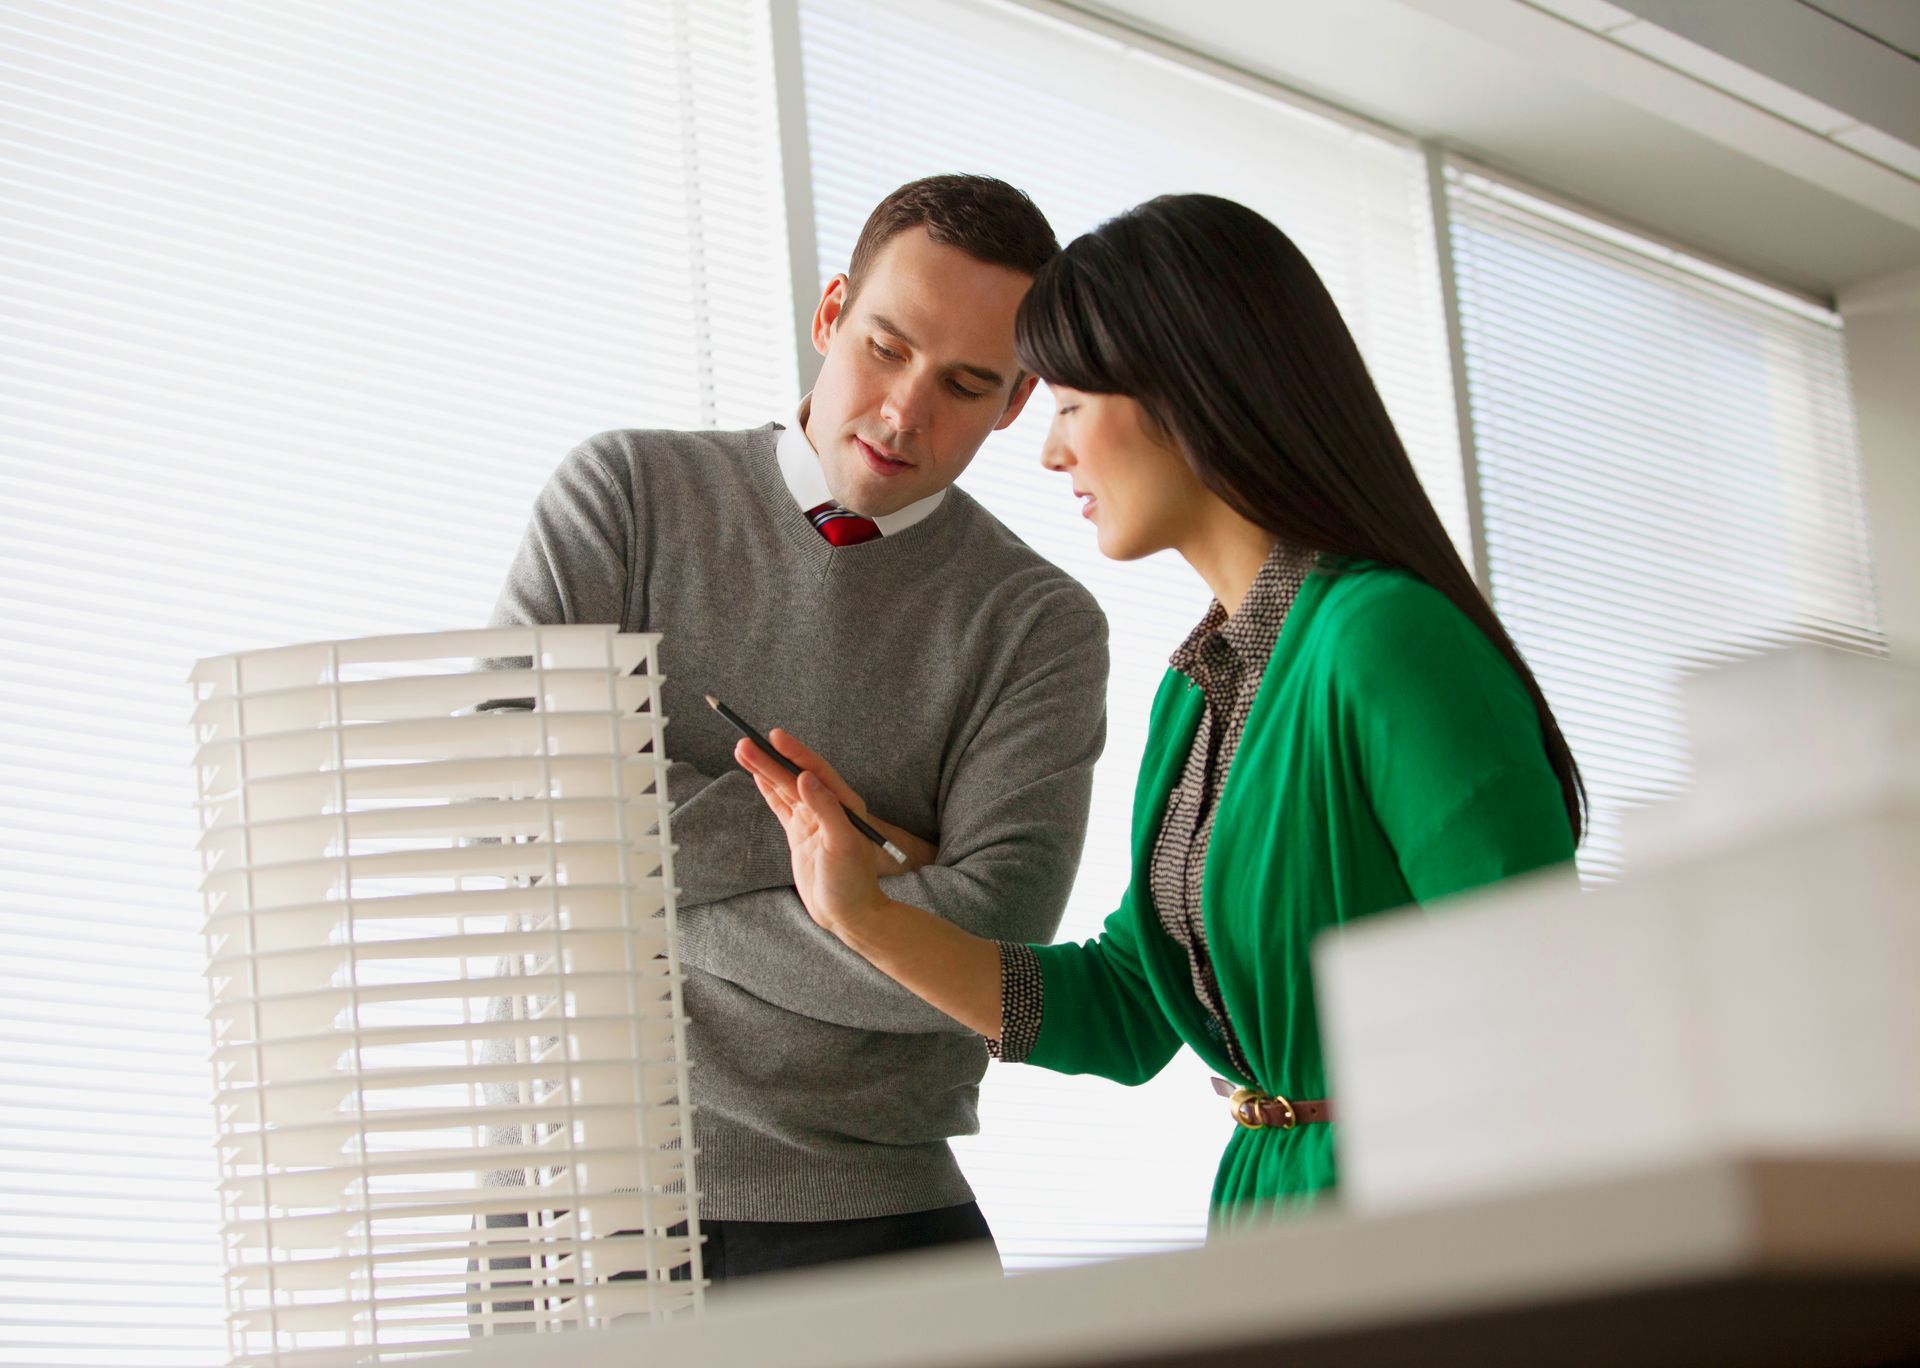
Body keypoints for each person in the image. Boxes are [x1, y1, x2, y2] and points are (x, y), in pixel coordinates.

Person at [733, 193, 1583, 1233]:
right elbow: (1129, 1010)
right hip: (1267, 1218)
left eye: (1073, 405)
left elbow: (1547, 1010)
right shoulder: (1199, 691)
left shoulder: (1385, 639)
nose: (1050, 453)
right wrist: (860, 914)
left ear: (1192, 392)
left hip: (1415, 1223)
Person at [483, 175, 1109, 1282]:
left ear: (1018, 404)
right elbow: (506, 807)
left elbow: (987, 945)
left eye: (967, 384)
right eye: (885, 348)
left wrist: (618, 865)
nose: (906, 411)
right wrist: (859, 877)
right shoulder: (626, 495)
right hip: (567, 1211)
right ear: (830, 316)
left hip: (873, 1229)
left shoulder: (1037, 626)